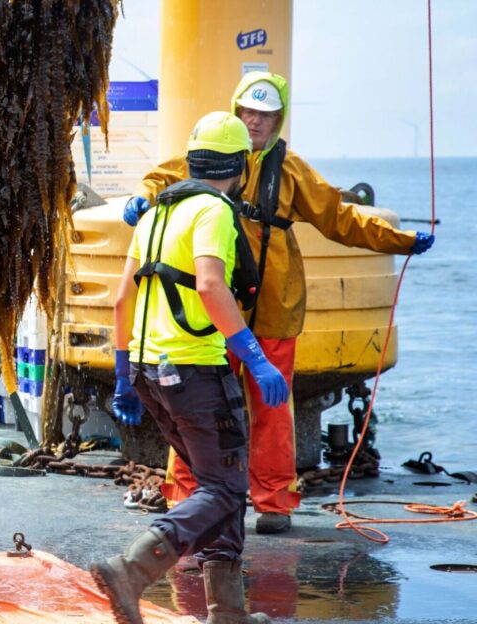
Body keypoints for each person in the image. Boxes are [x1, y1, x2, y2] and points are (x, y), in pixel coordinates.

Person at [122, 72, 434, 535]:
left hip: (274, 308)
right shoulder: (210, 154)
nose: (254, 122)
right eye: (247, 112)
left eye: (265, 115)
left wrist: (400, 241)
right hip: (215, 313)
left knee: (273, 411)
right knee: (200, 410)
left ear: (278, 119)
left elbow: (341, 218)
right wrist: (139, 198)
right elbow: (159, 180)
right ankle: (185, 498)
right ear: (235, 111)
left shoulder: (293, 172)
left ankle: (274, 502)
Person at [93, 111, 284, 624]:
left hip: (149, 372)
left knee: (215, 484)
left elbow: (120, 301)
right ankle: (131, 569)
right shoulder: (214, 211)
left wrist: (122, 375)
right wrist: (255, 355)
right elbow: (209, 285)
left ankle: (228, 614)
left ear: (192, 159)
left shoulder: (156, 213)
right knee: (224, 489)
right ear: (241, 165)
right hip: (196, 371)